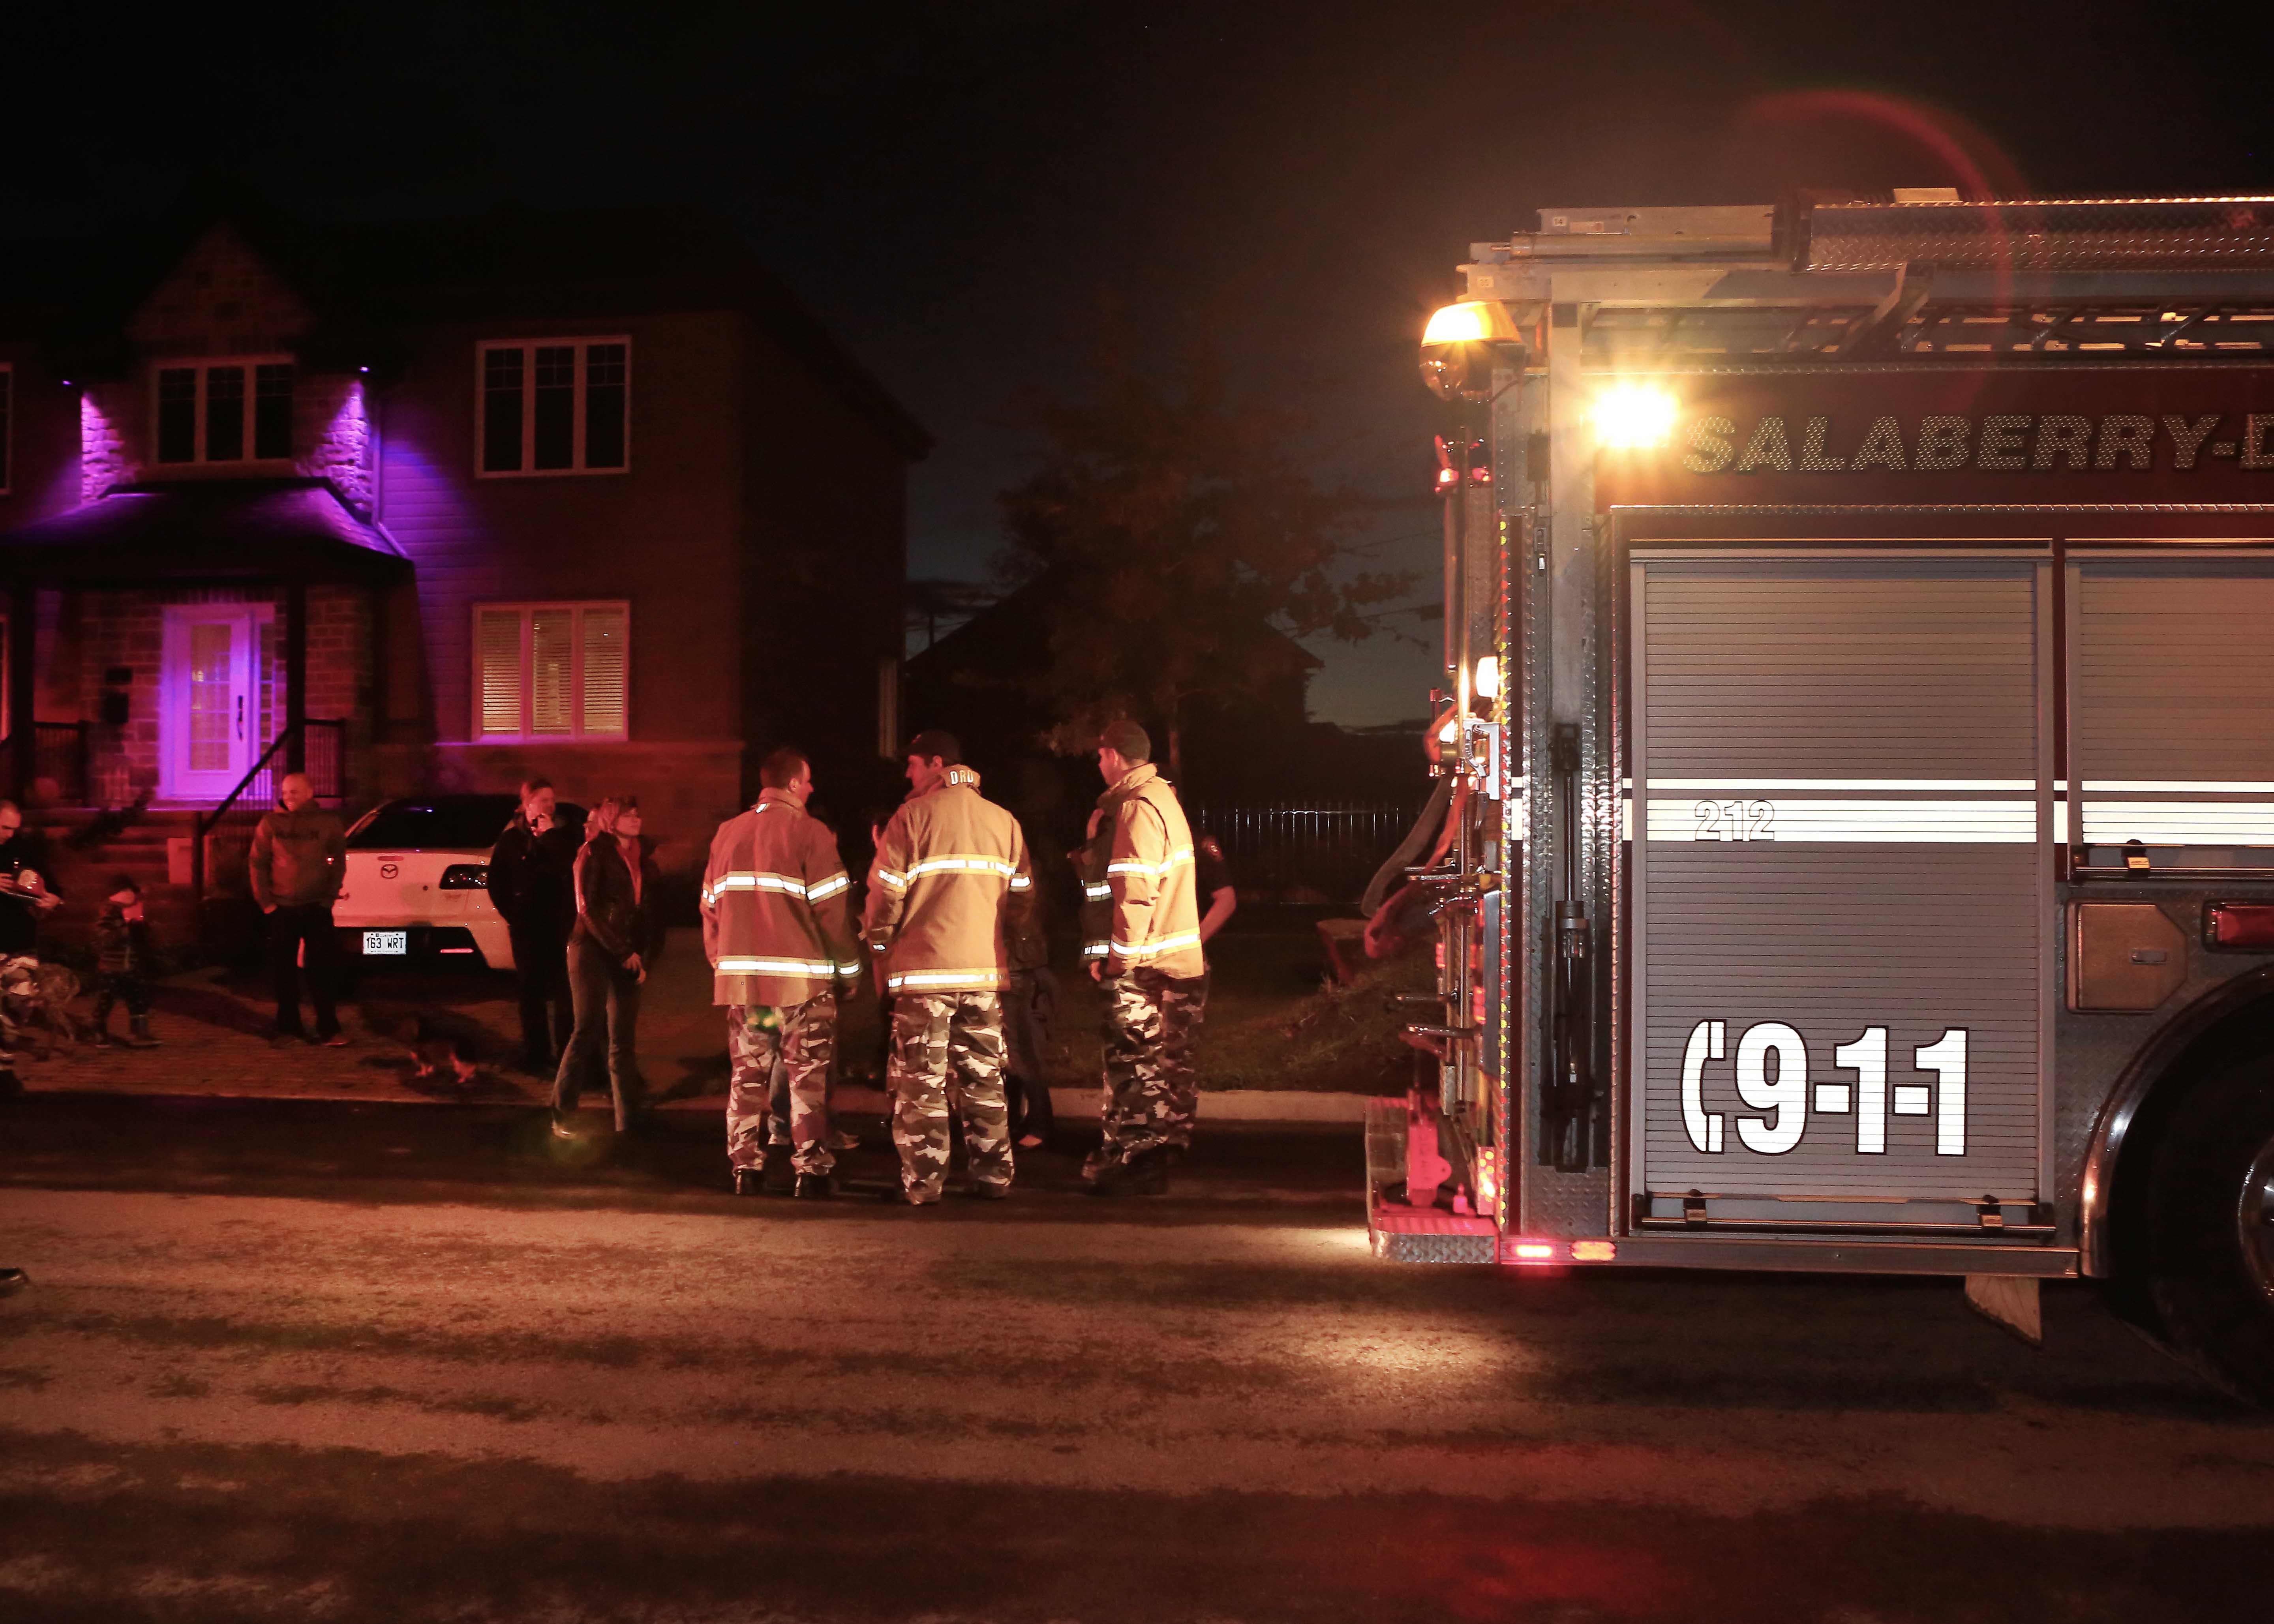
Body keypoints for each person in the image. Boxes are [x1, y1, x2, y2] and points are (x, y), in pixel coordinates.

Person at [863, 729, 1032, 1204]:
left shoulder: (912, 817)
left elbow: (885, 896)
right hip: (982, 973)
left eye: (913, 764)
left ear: (938, 763)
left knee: (922, 1081)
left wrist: (880, 942)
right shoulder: (1005, 821)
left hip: (924, 975)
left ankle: (925, 1182)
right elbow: (1023, 900)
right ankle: (994, 1175)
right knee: (984, 1078)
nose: (908, 774)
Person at [703, 746, 862, 1199]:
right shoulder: (810, 834)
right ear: (794, 783)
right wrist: (849, 973)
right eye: (808, 781)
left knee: (747, 1075)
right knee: (806, 1076)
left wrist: (722, 963)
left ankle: (745, 1169)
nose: (811, 789)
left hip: (746, 985)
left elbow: (710, 908)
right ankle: (810, 1170)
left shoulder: (727, 834)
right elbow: (833, 914)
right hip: (801, 986)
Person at [1083, 720, 1206, 1195]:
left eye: (1100, 755)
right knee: (1148, 1061)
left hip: (1144, 961)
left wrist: (1118, 962)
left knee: (1133, 1061)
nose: (1098, 764)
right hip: (1172, 956)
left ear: (1114, 755)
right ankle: (1135, 1152)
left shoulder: (1136, 808)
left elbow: (1135, 896)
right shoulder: (1163, 800)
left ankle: (1140, 1158)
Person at [552, 796, 664, 1137]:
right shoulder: (594, 852)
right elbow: (587, 909)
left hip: (626, 953)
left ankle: (628, 1120)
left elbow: (646, 914)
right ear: (611, 820)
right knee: (586, 1028)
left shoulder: (642, 860)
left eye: (638, 813)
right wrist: (622, 952)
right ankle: (562, 1112)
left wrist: (643, 957)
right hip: (591, 949)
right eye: (628, 815)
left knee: (623, 1039)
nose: (636, 819)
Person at [488, 778, 580, 1075]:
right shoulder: (512, 839)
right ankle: (536, 1054)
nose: (550, 806)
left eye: (552, 800)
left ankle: (567, 1052)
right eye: (543, 801)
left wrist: (550, 837)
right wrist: (514, 914)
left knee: (565, 992)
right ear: (527, 805)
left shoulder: (564, 834)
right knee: (531, 993)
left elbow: (570, 867)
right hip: (528, 928)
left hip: (560, 924)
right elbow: (497, 881)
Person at [250, 772, 348, 1046]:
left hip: (316, 906)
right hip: (281, 908)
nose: (287, 797)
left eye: (294, 792)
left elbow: (338, 861)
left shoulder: (328, 823)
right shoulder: (270, 824)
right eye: (285, 792)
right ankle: (288, 1027)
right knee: (283, 971)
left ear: (309, 793)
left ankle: (329, 1028)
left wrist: (329, 897)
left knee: (322, 970)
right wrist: (266, 903)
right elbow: (257, 863)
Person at [0, 800, 60, 1096]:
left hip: (19, 943)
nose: (9, 834)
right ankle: (4, 1072)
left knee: (19, 1001)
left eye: (14, 829)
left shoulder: (23, 852)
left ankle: (4, 1064)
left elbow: (54, 888)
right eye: (4, 828)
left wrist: (53, 900)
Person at [1001, 838, 1056, 1151]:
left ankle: (1040, 1122)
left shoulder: (1019, 875)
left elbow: (1018, 919)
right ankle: (1017, 1120)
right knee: (1012, 1051)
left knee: (1020, 1050)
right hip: (1019, 964)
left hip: (1017, 966)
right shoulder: (1028, 869)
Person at [91, 874, 160, 1048]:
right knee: (106, 1001)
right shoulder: (109, 911)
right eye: (127, 891)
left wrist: (143, 928)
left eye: (132, 891)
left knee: (138, 999)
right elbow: (105, 938)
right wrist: (127, 927)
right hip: (111, 966)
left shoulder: (135, 909)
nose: (131, 895)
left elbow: (144, 938)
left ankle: (140, 1032)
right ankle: (98, 1032)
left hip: (132, 965)